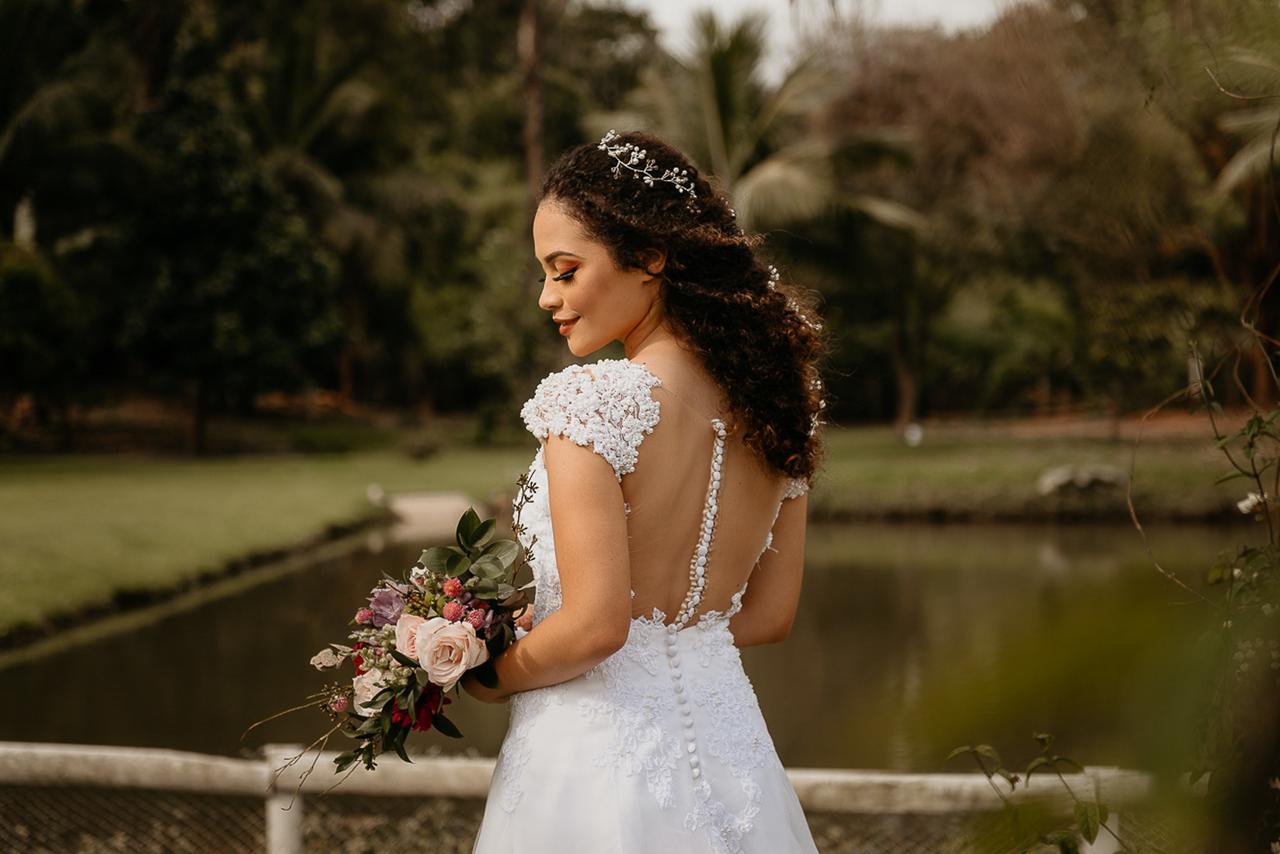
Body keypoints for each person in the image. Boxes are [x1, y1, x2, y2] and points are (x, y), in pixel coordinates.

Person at [461, 129, 826, 853]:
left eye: (565, 271)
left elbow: (599, 628)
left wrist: (484, 673)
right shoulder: (778, 407)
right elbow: (770, 614)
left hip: (591, 769)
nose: (546, 298)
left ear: (651, 257)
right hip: (734, 762)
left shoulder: (590, 401)